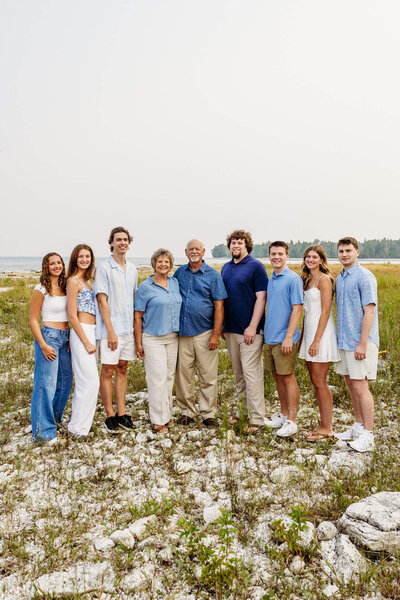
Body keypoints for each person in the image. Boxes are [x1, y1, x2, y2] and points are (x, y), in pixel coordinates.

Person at [173, 239, 227, 427]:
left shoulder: (213, 275)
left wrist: (215, 334)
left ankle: (208, 413)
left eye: (197, 249)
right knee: (183, 375)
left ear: (203, 252)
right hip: (183, 333)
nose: (194, 252)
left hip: (205, 332)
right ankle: (186, 411)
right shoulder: (179, 273)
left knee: (208, 375)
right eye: (191, 249)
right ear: (186, 252)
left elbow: (219, 305)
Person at [334, 237, 379, 452]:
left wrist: (362, 343)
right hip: (344, 342)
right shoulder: (340, 278)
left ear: (357, 252)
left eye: (348, 250)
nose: (344, 254)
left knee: (361, 387)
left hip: (360, 342)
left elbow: (369, 311)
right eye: (341, 251)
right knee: (351, 385)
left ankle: (368, 435)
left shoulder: (364, 277)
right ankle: (358, 426)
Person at [221, 230, 268, 433]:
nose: (236, 246)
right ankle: (242, 412)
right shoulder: (226, 267)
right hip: (230, 329)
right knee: (238, 374)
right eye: (233, 243)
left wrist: (252, 326)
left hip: (250, 331)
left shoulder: (255, 266)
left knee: (252, 374)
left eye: (240, 242)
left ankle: (257, 418)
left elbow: (261, 297)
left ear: (247, 245)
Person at [94, 226, 138, 433]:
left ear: (129, 243)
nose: (122, 242)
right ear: (111, 242)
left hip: (127, 329)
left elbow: (133, 298)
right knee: (108, 371)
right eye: (118, 239)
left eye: (125, 239)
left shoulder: (132, 269)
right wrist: (110, 331)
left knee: (122, 369)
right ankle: (110, 415)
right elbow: (102, 301)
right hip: (111, 330)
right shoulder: (104, 268)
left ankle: (122, 413)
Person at [134, 249, 182, 432]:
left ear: (170, 264)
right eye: (160, 262)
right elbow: (138, 317)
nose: (163, 265)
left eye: (166, 262)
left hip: (173, 337)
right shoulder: (145, 287)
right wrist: (138, 342)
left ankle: (167, 414)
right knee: (156, 379)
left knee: (169, 377)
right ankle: (157, 419)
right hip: (152, 338)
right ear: (153, 264)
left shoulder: (175, 283)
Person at [29, 253, 73, 443]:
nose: (56, 266)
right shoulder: (41, 289)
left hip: (65, 337)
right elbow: (32, 320)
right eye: (52, 263)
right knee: (45, 384)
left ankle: (54, 417)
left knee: (65, 381)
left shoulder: (65, 287)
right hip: (49, 337)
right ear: (46, 267)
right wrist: (43, 345)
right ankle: (42, 432)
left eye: (59, 262)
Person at [298, 245, 340, 441]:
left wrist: (315, 340)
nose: (310, 259)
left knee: (320, 381)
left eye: (315, 257)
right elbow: (306, 314)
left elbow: (325, 312)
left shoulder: (324, 280)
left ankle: (327, 428)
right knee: (314, 382)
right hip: (309, 333)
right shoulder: (307, 280)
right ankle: (322, 425)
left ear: (322, 260)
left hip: (321, 335)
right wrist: (303, 339)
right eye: (308, 256)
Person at [264, 241, 303, 437]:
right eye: (273, 254)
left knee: (287, 377)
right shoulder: (271, 277)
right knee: (277, 376)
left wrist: (289, 337)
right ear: (269, 256)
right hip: (270, 337)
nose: (276, 257)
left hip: (284, 338)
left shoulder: (293, 279)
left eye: (280, 253)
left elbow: (297, 309)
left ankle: (292, 420)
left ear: (287, 256)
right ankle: (283, 414)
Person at [66, 244, 99, 438]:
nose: (84, 260)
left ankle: (79, 426)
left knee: (86, 381)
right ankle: (78, 428)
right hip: (82, 333)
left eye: (87, 256)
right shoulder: (73, 281)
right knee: (90, 381)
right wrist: (85, 341)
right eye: (81, 257)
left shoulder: (89, 281)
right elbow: (72, 316)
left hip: (93, 331)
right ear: (75, 259)